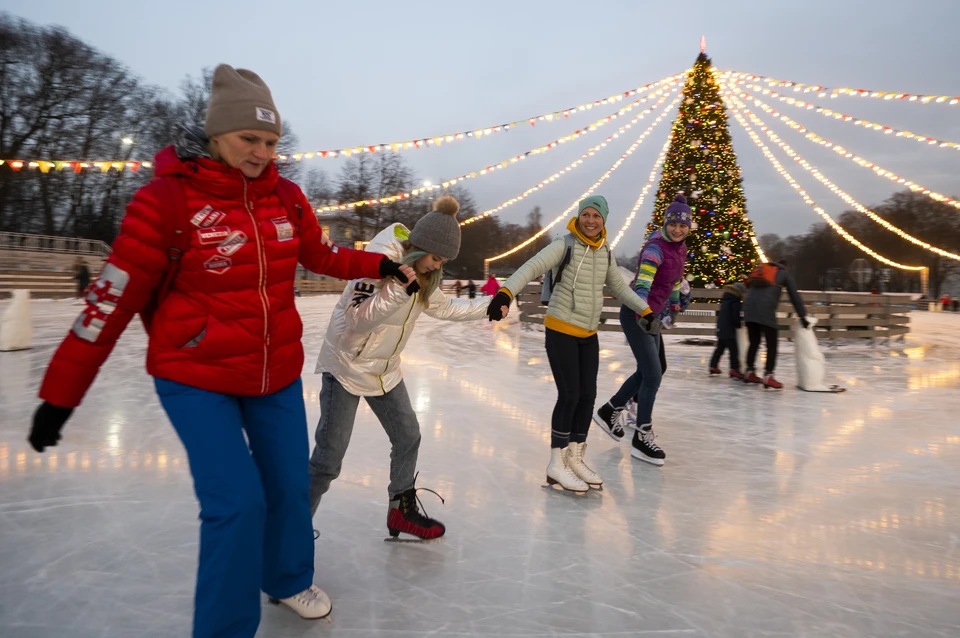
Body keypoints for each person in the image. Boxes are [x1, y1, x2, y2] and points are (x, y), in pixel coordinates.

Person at [26, 64, 414, 638]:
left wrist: (378, 264)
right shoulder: (165, 202)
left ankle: (285, 577)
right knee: (236, 503)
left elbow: (321, 254)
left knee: (286, 487)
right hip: (194, 374)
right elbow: (107, 303)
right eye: (248, 139)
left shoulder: (286, 197)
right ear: (215, 135)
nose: (261, 152)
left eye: (271, 141)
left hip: (273, 371)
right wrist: (59, 396)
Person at [309, 196, 506, 539]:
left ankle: (400, 511)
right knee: (329, 458)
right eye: (435, 258)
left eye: (443, 261)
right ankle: (290, 524)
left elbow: (444, 309)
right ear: (420, 247)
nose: (436, 266)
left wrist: (488, 307)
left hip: (385, 369)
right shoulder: (379, 259)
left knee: (408, 436)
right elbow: (357, 320)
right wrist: (399, 289)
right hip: (346, 365)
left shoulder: (427, 274)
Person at [485, 195, 652, 492]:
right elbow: (531, 267)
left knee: (587, 396)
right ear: (578, 217)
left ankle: (575, 458)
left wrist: (645, 310)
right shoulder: (564, 245)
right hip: (561, 329)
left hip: (588, 334)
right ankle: (556, 463)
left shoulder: (606, 252)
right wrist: (505, 294)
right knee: (570, 394)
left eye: (596, 216)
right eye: (586, 214)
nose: (590, 220)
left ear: (604, 220)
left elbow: (618, 287)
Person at [594, 195, 693, 466]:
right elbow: (642, 285)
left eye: (683, 226)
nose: (677, 229)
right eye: (673, 224)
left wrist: (673, 307)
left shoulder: (680, 249)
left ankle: (609, 410)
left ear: (689, 227)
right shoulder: (655, 249)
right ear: (666, 223)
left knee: (655, 367)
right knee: (652, 375)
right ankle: (641, 435)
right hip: (637, 314)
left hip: (652, 315)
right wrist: (645, 311)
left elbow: (673, 282)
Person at [743, 259, 808, 389]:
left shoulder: (762, 270)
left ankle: (749, 371)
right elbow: (794, 295)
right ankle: (769, 375)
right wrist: (802, 316)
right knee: (772, 344)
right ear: (786, 266)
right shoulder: (784, 273)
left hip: (748, 308)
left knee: (754, 342)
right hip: (765, 310)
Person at [710, 282, 746, 378]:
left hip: (721, 329)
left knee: (719, 349)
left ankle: (713, 366)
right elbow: (735, 317)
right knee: (734, 351)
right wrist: (738, 324)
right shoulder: (735, 302)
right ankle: (734, 369)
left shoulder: (725, 300)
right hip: (729, 330)